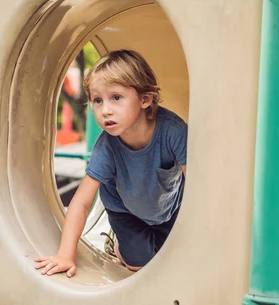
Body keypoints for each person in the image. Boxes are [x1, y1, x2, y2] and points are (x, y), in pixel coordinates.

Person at [35, 50, 187, 277]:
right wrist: (65, 255)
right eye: (97, 100)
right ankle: (120, 245)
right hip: (125, 210)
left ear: (145, 99)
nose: (105, 109)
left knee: (175, 257)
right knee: (140, 266)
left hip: (169, 206)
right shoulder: (106, 147)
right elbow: (81, 203)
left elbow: (199, 185)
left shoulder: (173, 131)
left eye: (116, 97)